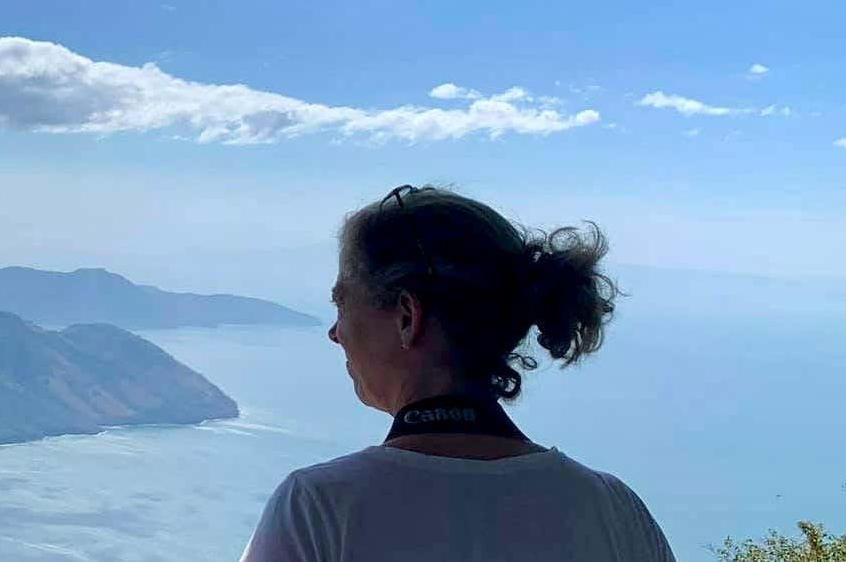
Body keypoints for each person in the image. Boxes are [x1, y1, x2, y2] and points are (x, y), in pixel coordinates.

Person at [239, 185, 674, 562]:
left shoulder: (318, 508)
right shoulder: (615, 512)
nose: (335, 334)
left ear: (407, 316)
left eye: (342, 304)